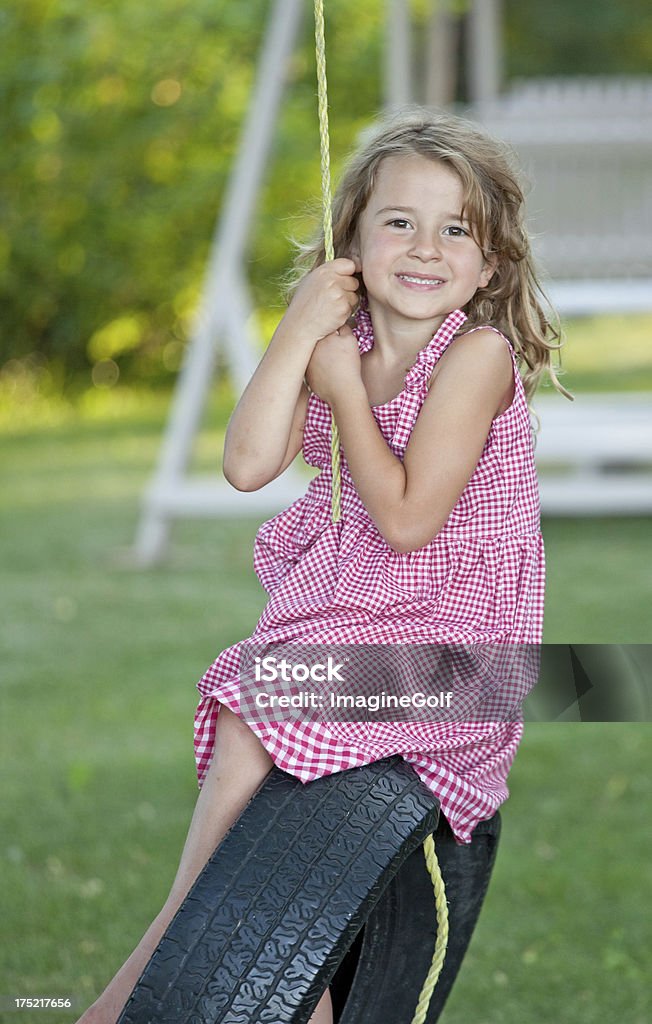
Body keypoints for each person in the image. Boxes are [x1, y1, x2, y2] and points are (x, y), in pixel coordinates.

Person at [77, 108, 570, 1024]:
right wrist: (299, 328)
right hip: (360, 632)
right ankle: (269, 991)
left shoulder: (478, 356)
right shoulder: (343, 345)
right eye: (399, 222)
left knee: (269, 694)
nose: (425, 248)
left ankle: (144, 980)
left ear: (490, 262)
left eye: (455, 228)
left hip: (454, 660)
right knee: (246, 712)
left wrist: (342, 390)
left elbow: (412, 518)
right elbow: (247, 463)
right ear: (352, 243)